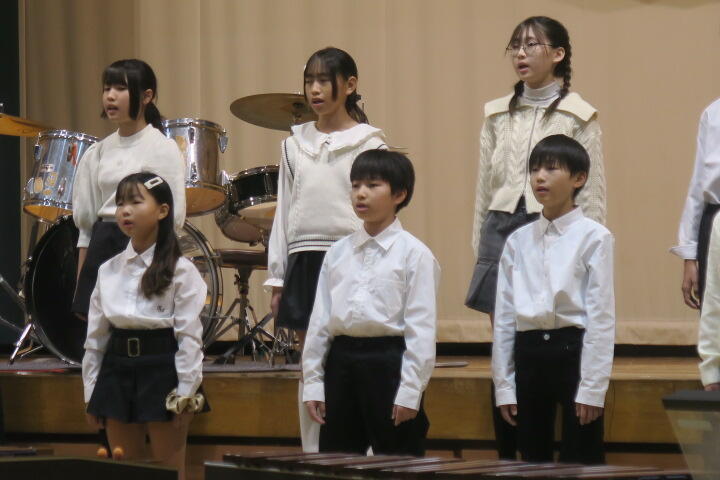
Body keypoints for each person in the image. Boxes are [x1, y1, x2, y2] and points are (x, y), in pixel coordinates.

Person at [465, 16, 606, 459]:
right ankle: (512, 410)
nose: (521, 54)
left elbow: (592, 186)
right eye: (516, 46)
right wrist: (481, 243)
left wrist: (588, 238)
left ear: (558, 54)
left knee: (559, 321)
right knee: (508, 331)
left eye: (532, 45)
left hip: (560, 222)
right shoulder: (495, 113)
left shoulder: (579, 113)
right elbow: (484, 183)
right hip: (502, 222)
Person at [265, 47, 387, 451]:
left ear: (350, 85)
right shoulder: (293, 144)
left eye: (323, 81)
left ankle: (362, 454)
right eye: (309, 82)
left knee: (355, 359)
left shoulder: (369, 143)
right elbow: (284, 213)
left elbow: (380, 211)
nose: (314, 90)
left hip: (353, 258)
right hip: (305, 260)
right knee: (311, 366)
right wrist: (278, 277)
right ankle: (315, 455)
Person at [303, 150, 439, 456]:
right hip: (341, 361)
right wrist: (313, 382)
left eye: (373, 185)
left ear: (399, 194)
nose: (360, 193)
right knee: (336, 461)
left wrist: (410, 391)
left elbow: (421, 329)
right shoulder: (337, 253)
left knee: (398, 461)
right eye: (355, 185)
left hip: (389, 362)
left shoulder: (415, 254)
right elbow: (320, 322)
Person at [492, 134, 614, 464]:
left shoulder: (594, 237)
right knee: (531, 458)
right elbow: (504, 317)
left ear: (579, 178)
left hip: (573, 351)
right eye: (534, 170)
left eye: (550, 169)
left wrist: (592, 387)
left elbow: (601, 316)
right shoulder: (517, 241)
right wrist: (503, 385)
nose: (539, 178)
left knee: (582, 456)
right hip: (528, 352)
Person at [82, 173, 207, 480]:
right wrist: (91, 391)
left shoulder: (181, 270)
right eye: (120, 203)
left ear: (162, 210)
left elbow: (189, 338)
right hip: (116, 371)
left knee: (169, 472)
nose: (125, 211)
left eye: (136, 202)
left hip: (163, 369)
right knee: (124, 470)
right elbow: (95, 339)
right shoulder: (108, 270)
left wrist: (187, 391)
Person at [72, 59, 186, 319]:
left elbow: (173, 219)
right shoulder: (97, 152)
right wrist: (82, 283)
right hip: (104, 246)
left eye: (120, 88)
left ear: (147, 96)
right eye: (106, 89)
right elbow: (86, 228)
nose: (110, 96)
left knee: (140, 327)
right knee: (99, 332)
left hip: (146, 249)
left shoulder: (162, 148)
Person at [672, 99, 720, 309]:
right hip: (715, 223)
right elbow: (698, 185)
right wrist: (690, 255)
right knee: (715, 319)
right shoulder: (713, 113)